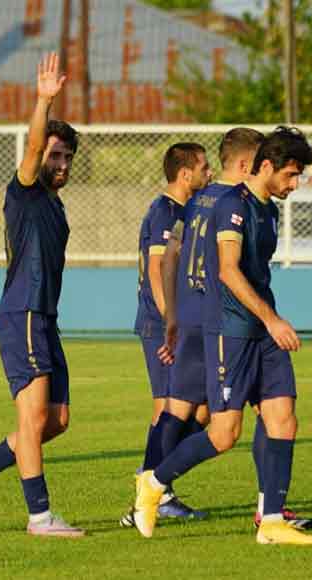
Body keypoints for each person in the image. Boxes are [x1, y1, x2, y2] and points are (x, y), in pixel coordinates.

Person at [132, 126, 312, 545]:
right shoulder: (229, 205)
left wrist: (269, 321)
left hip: (261, 326)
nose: (294, 185)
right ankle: (154, 481)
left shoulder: (267, 209)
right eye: (290, 176)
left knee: (282, 418)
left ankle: (271, 520)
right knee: (222, 433)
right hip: (230, 330)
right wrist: (270, 319)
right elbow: (227, 269)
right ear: (264, 166)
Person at [0, 52, 83, 537]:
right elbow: (31, 147)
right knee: (31, 420)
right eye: (55, 155)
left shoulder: (56, 205)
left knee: (57, 420)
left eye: (68, 156)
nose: (62, 163)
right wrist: (44, 100)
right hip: (22, 313)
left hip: (45, 318)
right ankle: (39, 517)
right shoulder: (24, 189)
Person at [126, 142, 211, 524]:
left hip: (176, 324)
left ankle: (156, 483)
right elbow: (159, 268)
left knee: (203, 411)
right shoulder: (165, 210)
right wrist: (169, 322)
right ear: (184, 173)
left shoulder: (186, 210)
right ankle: (154, 492)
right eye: (204, 168)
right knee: (166, 407)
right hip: (162, 325)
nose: (209, 174)